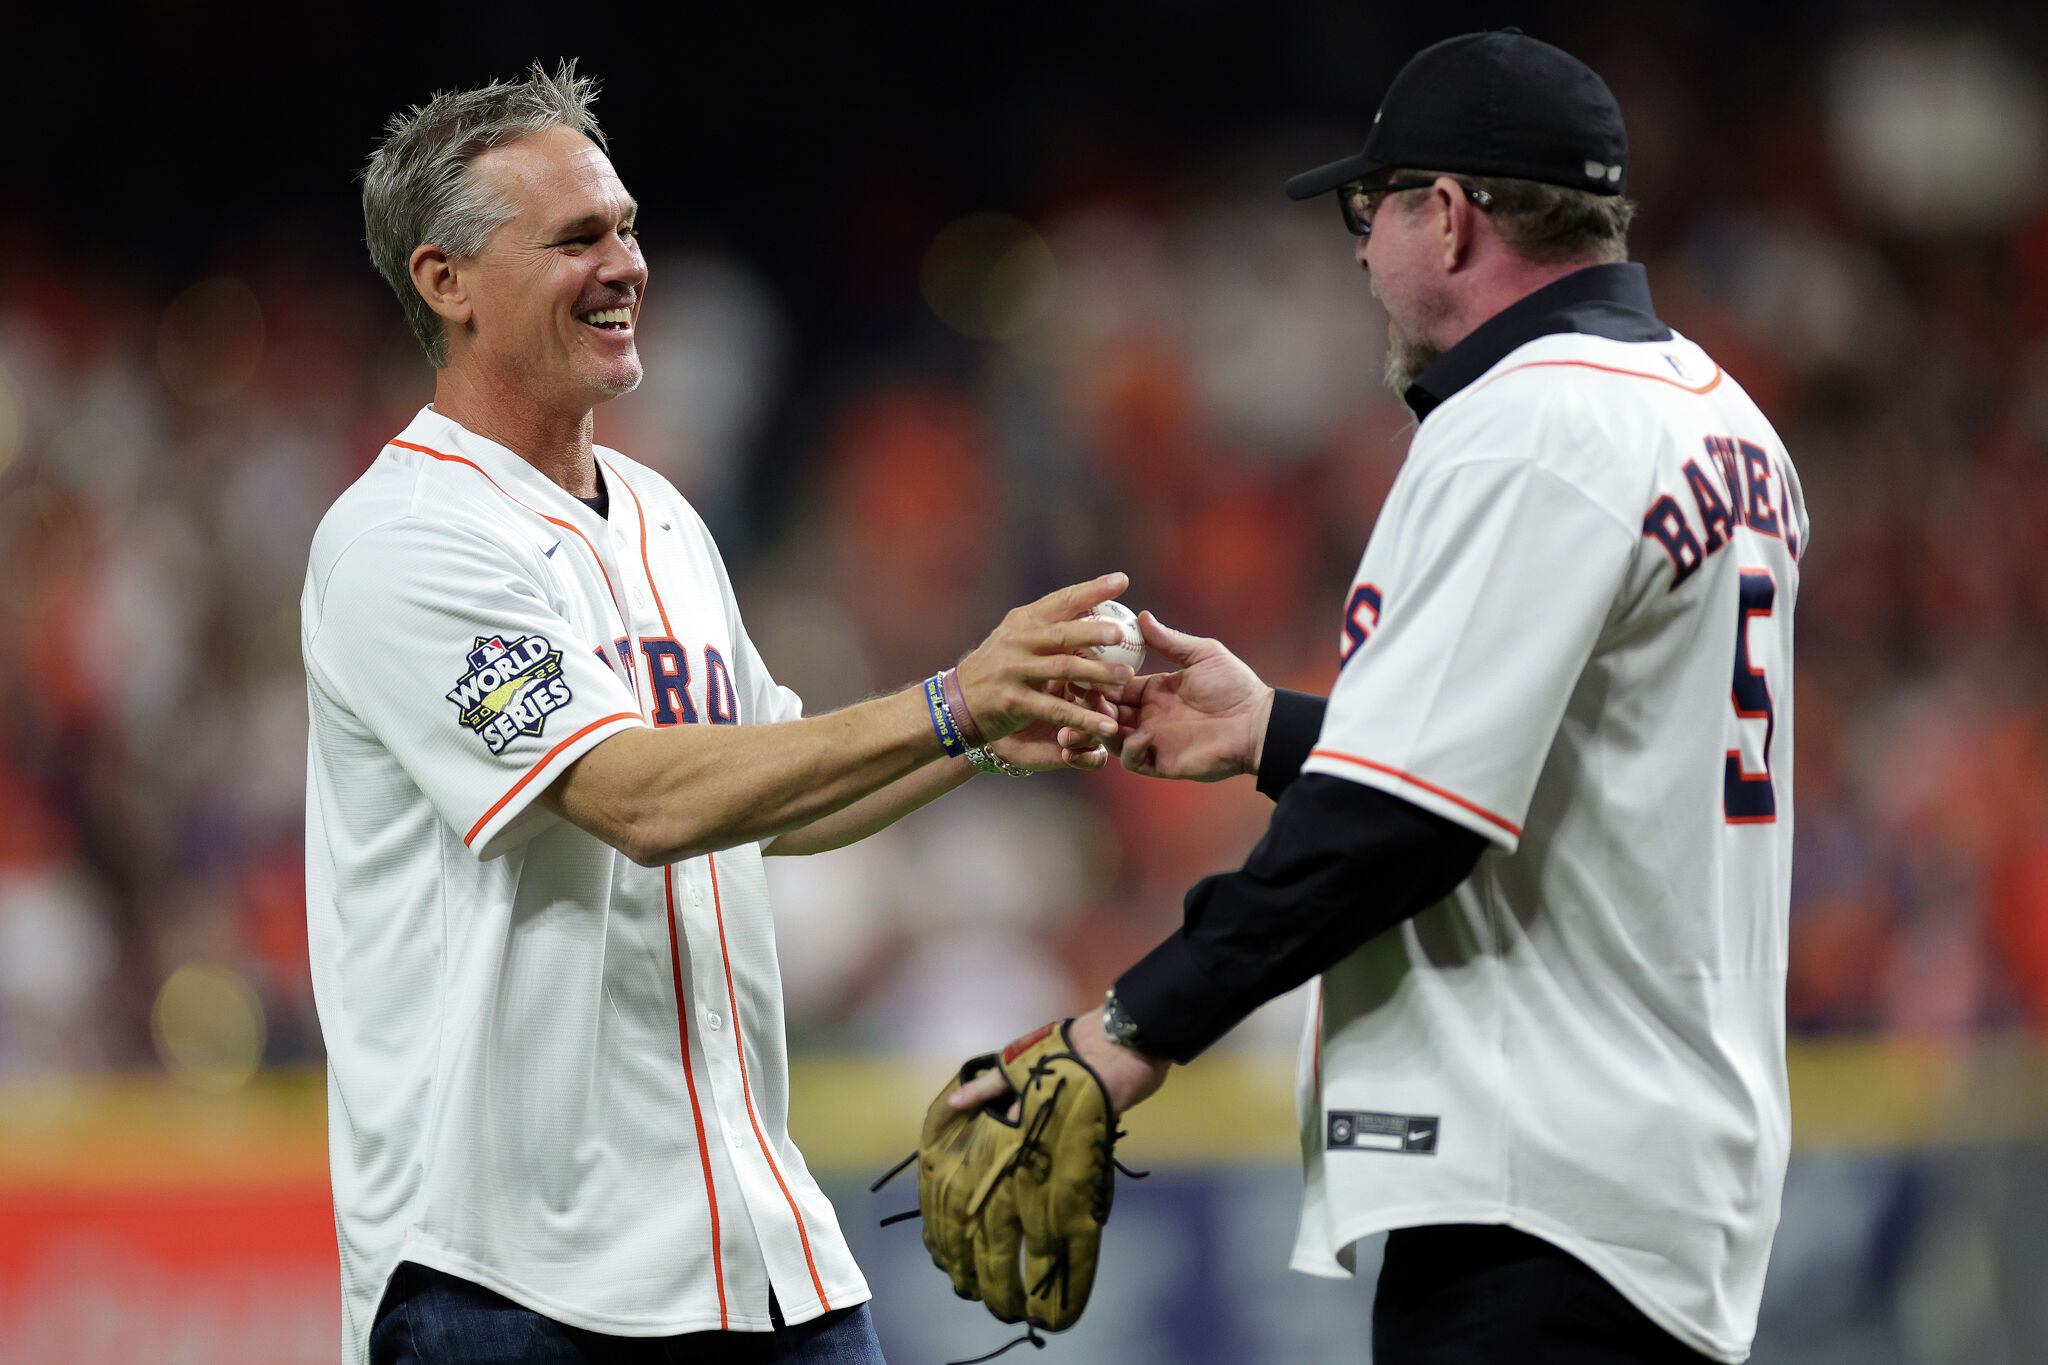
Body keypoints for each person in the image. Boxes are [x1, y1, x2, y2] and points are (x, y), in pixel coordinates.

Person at [956, 30, 1805, 1365]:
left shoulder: (1532, 419)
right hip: (1643, 1151)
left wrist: (1129, 1029)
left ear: (1451, 216)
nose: (1359, 251)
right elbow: (1554, 760)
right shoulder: (1721, 418)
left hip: (1541, 1172)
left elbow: (1404, 827)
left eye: (1376, 206)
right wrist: (1284, 733)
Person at [303, 63, 1133, 1365]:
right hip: (514, 1279)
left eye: (627, 226)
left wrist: (977, 734)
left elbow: (767, 795)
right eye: (575, 237)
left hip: (749, 1250)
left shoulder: (665, 518)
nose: (625, 263)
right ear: (445, 281)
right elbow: (639, 797)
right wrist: (947, 697)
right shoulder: (408, 539)